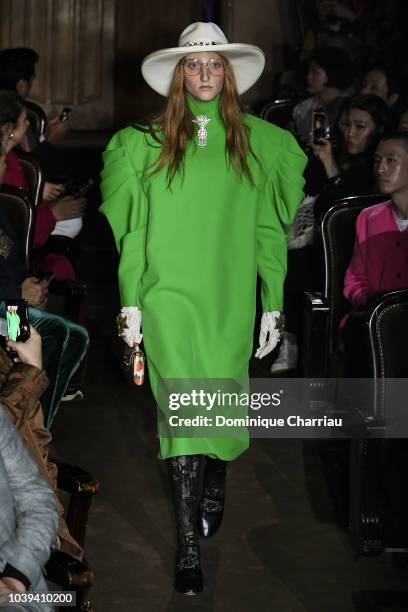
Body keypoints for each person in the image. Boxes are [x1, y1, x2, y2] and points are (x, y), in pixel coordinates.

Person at [100, 21, 306, 595]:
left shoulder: (264, 143)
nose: (206, 73)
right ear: (178, 74)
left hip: (229, 297)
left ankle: (216, 473)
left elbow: (269, 229)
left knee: (219, 407)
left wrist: (272, 303)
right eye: (195, 65)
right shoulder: (139, 143)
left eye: (215, 64)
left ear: (229, 73)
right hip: (170, 299)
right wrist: (131, 304)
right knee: (181, 416)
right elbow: (133, 234)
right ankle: (187, 544)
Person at [0, 90, 86, 283]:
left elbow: (12, 262)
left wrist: (23, 291)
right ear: (9, 129)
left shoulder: (4, 232)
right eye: (24, 120)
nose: (4, 170)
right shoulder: (10, 186)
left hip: (12, 291)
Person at [0, 47, 71, 184]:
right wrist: (51, 141)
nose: (31, 86)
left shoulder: (21, 113)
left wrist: (46, 136)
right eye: (31, 81)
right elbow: (26, 169)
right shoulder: (10, 115)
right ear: (21, 84)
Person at [292, 46, 354, 147]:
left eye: (315, 72)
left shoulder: (352, 106)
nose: (308, 76)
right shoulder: (304, 108)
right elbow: (315, 143)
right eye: (309, 71)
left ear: (332, 72)